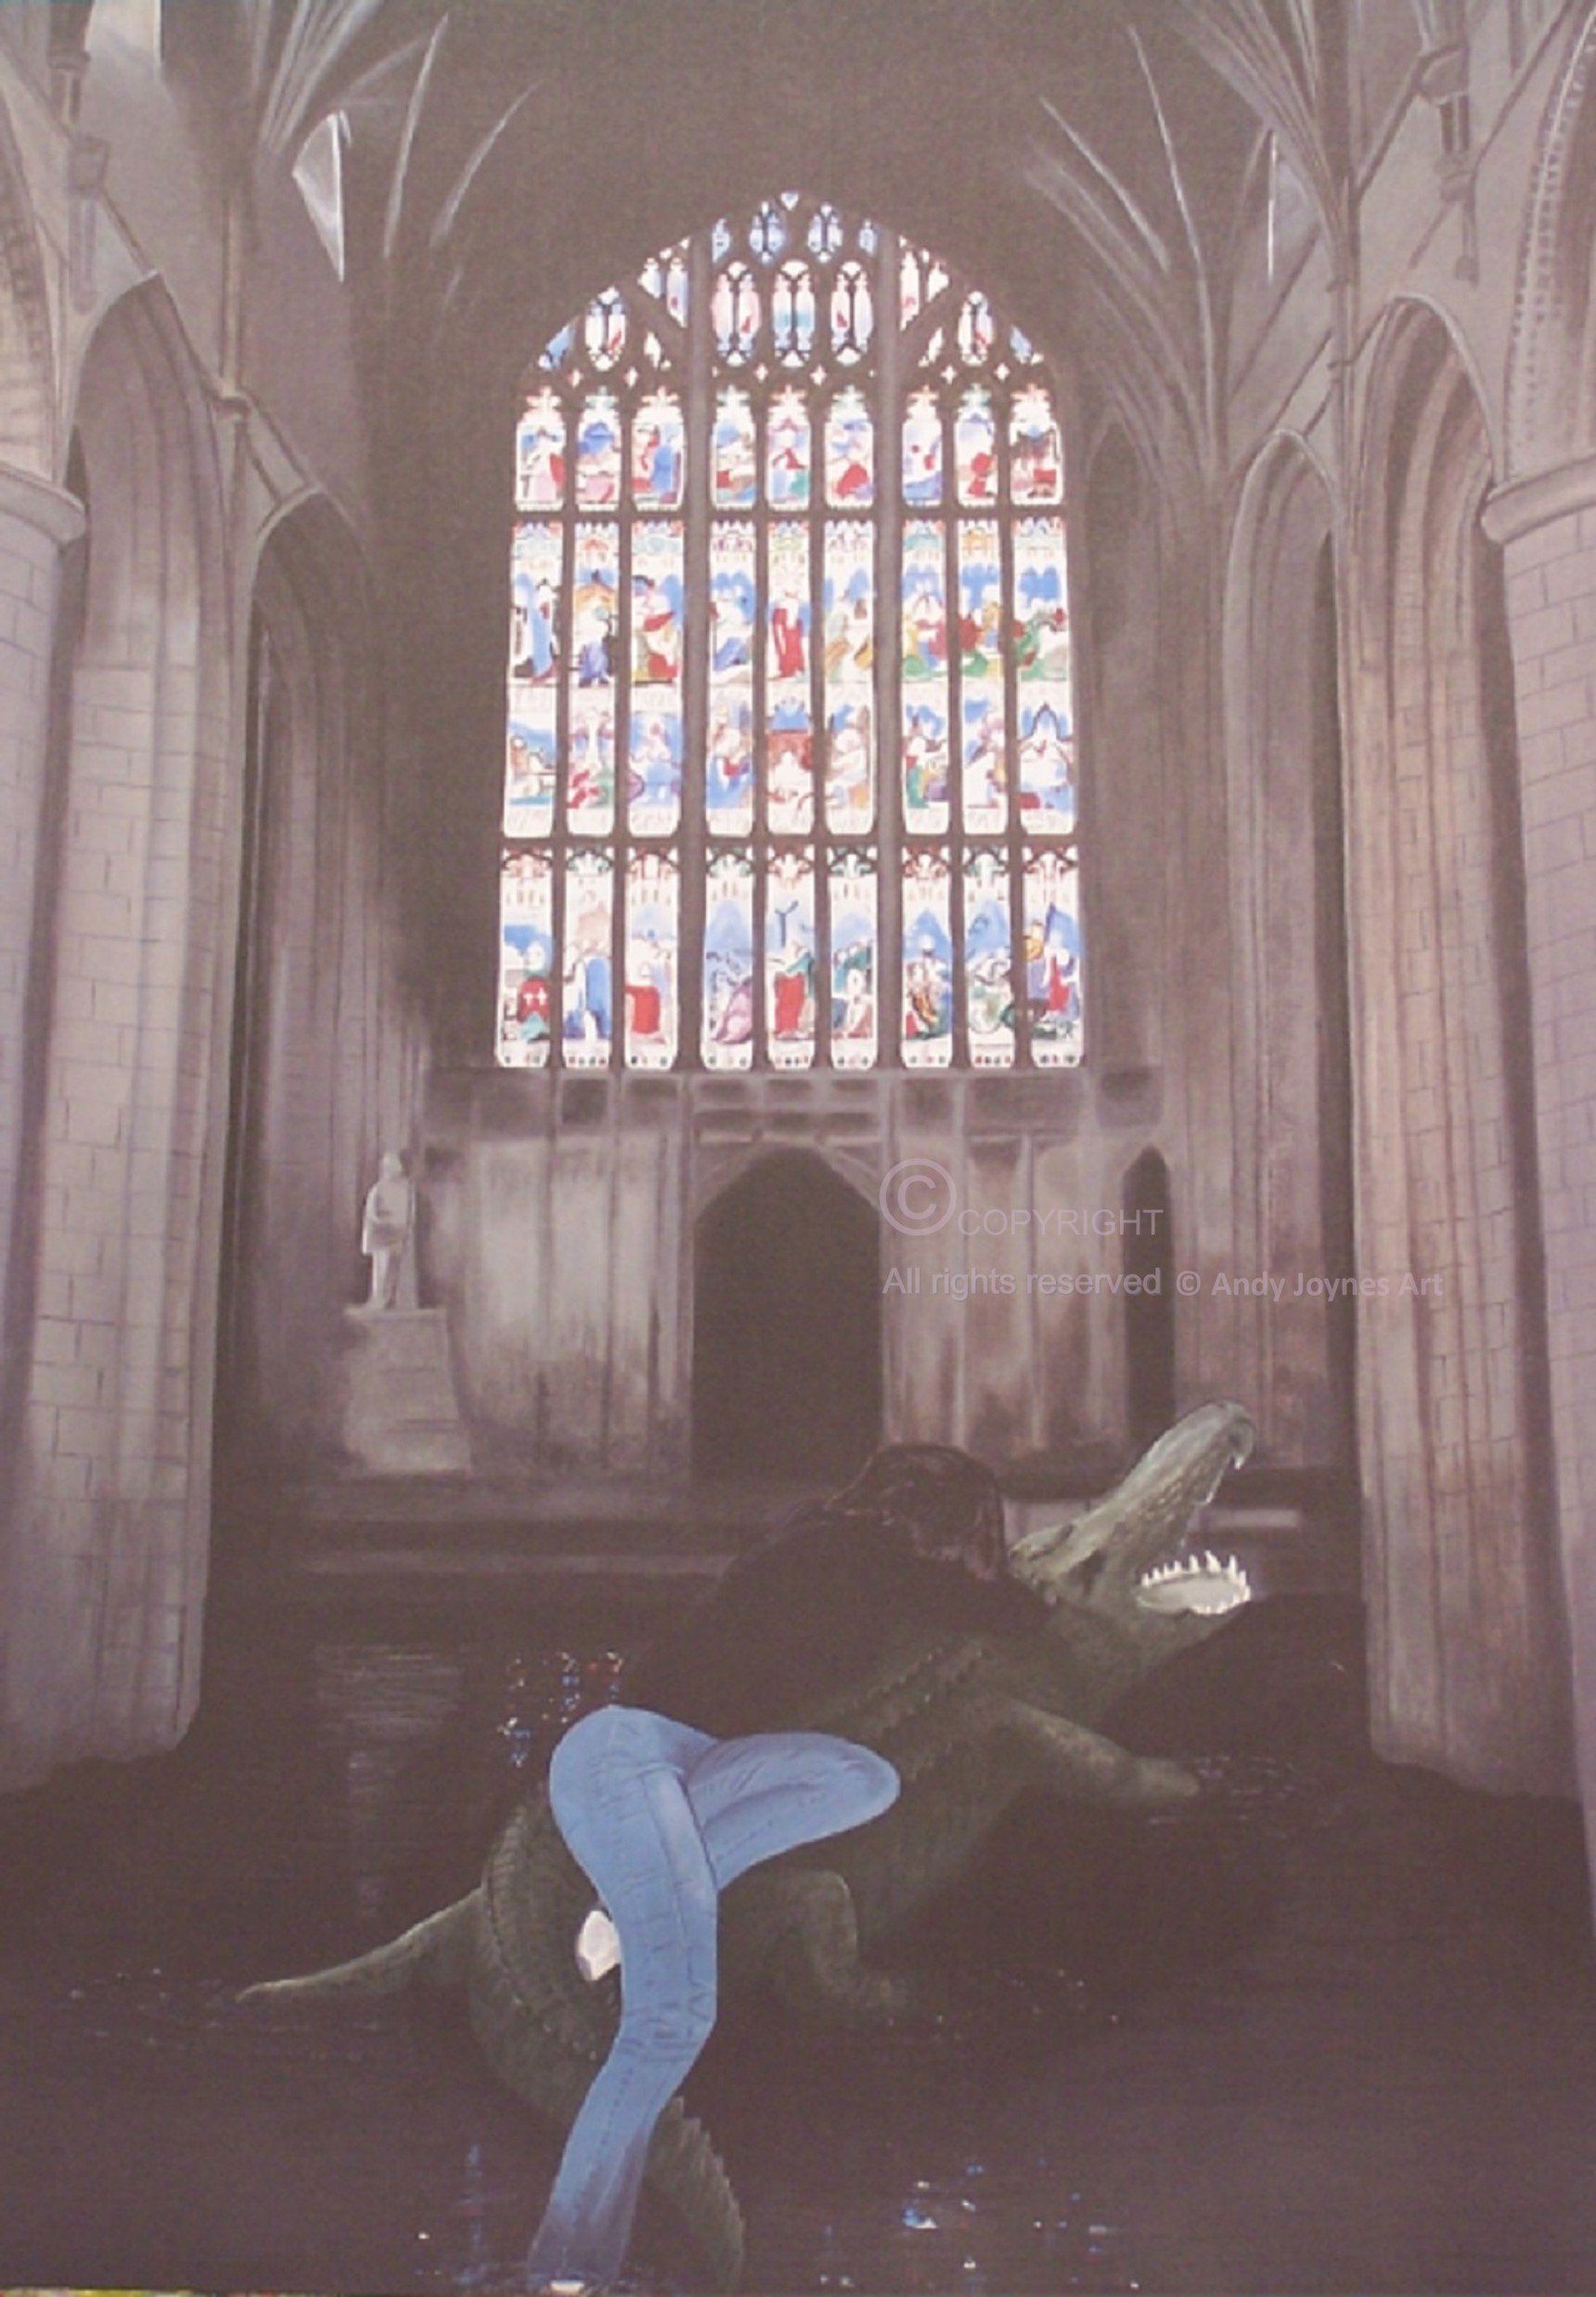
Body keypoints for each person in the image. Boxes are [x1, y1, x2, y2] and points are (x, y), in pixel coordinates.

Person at [525, 1445, 1047, 2297]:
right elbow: (1009, 1610)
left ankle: (620, 1913)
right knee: (672, 2020)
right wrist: (1003, 1575)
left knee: (863, 1778)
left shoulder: (823, 1540)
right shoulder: (864, 1556)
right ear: (947, 1525)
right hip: (626, 1757)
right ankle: (566, 2271)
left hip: (705, 1764)